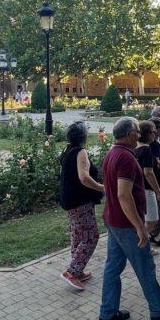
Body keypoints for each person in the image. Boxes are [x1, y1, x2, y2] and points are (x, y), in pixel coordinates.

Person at [98, 117, 160, 320]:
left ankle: (108, 312)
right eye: (137, 132)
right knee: (145, 267)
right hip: (126, 224)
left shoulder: (112, 153)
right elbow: (123, 195)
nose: (139, 135)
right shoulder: (126, 158)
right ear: (130, 135)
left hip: (113, 219)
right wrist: (139, 227)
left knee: (112, 268)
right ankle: (159, 310)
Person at [58, 122, 105, 290]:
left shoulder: (67, 149)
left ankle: (78, 271)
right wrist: (101, 187)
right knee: (91, 236)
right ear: (83, 136)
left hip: (70, 200)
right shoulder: (80, 152)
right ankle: (72, 272)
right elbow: (84, 177)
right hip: (80, 201)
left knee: (78, 235)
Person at [134, 121, 160, 245]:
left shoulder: (136, 147)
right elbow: (148, 173)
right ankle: (140, 243)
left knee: (144, 218)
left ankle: (143, 244)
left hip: (138, 187)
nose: (155, 133)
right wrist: (158, 191)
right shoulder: (146, 149)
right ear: (147, 133)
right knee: (152, 220)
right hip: (147, 189)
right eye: (153, 131)